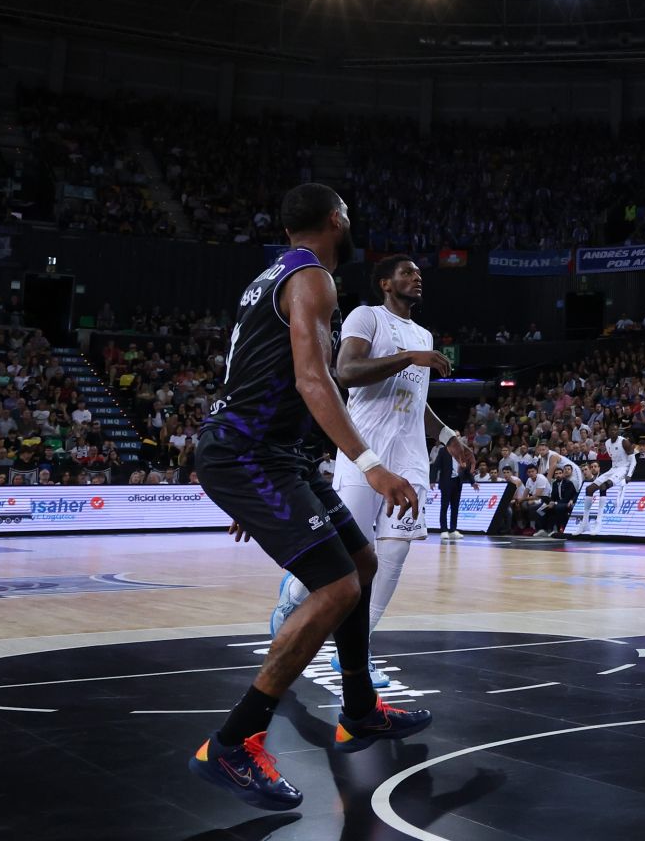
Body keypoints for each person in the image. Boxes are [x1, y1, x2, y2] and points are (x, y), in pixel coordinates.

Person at [189, 184, 431, 811]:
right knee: (338, 587)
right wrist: (371, 465)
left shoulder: (270, 277)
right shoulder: (313, 280)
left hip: (272, 455)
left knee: (363, 561)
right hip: (251, 454)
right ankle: (234, 742)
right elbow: (312, 378)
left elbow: (256, 374)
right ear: (334, 219)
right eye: (348, 214)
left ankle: (359, 710)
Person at [268, 255, 468, 690]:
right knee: (348, 559)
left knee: (391, 558)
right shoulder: (367, 317)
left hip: (411, 460)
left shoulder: (424, 335)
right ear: (385, 283)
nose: (417, 278)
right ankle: (294, 598)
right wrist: (408, 356)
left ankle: (357, 653)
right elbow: (347, 372)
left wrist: (448, 434)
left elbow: (416, 403)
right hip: (365, 456)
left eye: (420, 274)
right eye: (408, 273)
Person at [578, 424, 636, 535]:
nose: (614, 431)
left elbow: (633, 461)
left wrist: (629, 475)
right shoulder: (607, 443)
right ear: (608, 432)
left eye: (615, 429)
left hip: (623, 469)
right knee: (589, 489)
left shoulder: (624, 442)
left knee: (603, 486)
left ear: (618, 431)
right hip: (613, 468)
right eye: (611, 430)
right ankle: (585, 523)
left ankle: (598, 523)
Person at [433, 427, 472, 538]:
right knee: (444, 506)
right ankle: (444, 530)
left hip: (457, 482)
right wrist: (432, 480)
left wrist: (472, 482)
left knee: (455, 507)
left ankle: (453, 529)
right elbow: (436, 467)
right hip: (446, 482)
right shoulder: (443, 451)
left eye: (458, 436)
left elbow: (467, 469)